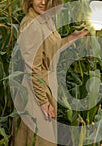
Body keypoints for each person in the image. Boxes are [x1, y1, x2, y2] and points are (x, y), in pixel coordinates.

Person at [10, 0, 89, 145]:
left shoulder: (45, 20)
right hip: (35, 92)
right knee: (39, 140)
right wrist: (43, 101)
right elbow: (33, 69)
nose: (43, 2)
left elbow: (51, 49)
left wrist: (73, 37)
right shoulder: (32, 25)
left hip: (48, 87)